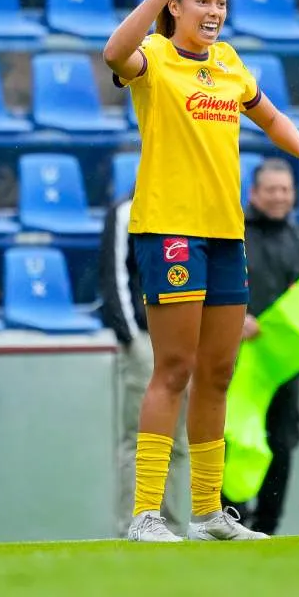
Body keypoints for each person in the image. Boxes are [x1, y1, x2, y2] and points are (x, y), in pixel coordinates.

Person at [103, 0, 299, 543]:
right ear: (177, 7)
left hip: (225, 235)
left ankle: (209, 513)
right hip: (172, 230)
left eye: (221, 3)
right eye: (202, 1)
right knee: (174, 368)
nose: (214, 12)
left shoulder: (230, 62)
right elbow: (114, 51)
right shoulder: (154, 58)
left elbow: (270, 116)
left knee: (218, 372)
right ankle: (147, 514)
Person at [221, 158, 299, 535]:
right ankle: (229, 518)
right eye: (271, 189)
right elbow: (215, 288)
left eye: (285, 189)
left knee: (281, 441)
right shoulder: (233, 236)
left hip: (283, 363)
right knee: (234, 438)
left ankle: (268, 526)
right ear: (253, 193)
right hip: (235, 361)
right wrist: (235, 320)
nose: (279, 196)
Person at [100, 190, 190, 538]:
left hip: (184, 341)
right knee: (140, 438)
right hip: (144, 338)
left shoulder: (191, 205)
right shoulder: (127, 211)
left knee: (178, 441)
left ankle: (172, 526)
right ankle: (133, 524)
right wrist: (130, 336)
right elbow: (114, 274)